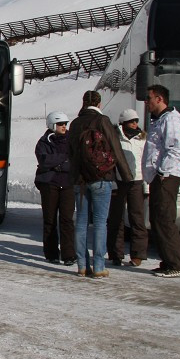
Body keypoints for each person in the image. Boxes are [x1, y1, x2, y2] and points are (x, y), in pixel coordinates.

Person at [67, 90, 133, 278]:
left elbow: (70, 153)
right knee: (99, 223)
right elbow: (116, 148)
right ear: (99, 103)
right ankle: (98, 266)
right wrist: (126, 176)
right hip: (101, 178)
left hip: (80, 181)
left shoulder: (75, 124)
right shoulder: (103, 121)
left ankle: (81, 265)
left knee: (80, 221)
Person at [142, 84, 180, 278]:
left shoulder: (170, 119)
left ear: (159, 99)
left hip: (166, 176)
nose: (146, 102)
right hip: (158, 176)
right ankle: (168, 260)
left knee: (164, 219)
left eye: (149, 98)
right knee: (157, 219)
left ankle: (178, 263)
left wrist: (163, 171)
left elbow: (176, 148)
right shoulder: (159, 120)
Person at [106, 108, 149, 267]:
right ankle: (116, 253)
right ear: (123, 123)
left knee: (137, 218)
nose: (135, 124)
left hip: (137, 181)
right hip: (119, 180)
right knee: (116, 219)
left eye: (136, 121)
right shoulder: (116, 138)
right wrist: (114, 183)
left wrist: (146, 185)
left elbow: (145, 162)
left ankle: (138, 255)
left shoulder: (142, 139)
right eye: (131, 121)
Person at [34, 111, 76, 265]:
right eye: (60, 124)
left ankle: (69, 255)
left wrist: (58, 163)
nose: (64, 126)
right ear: (52, 125)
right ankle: (51, 253)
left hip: (67, 184)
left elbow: (74, 161)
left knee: (67, 220)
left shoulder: (72, 140)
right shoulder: (44, 141)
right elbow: (44, 160)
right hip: (49, 184)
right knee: (50, 220)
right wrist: (63, 159)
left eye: (65, 124)